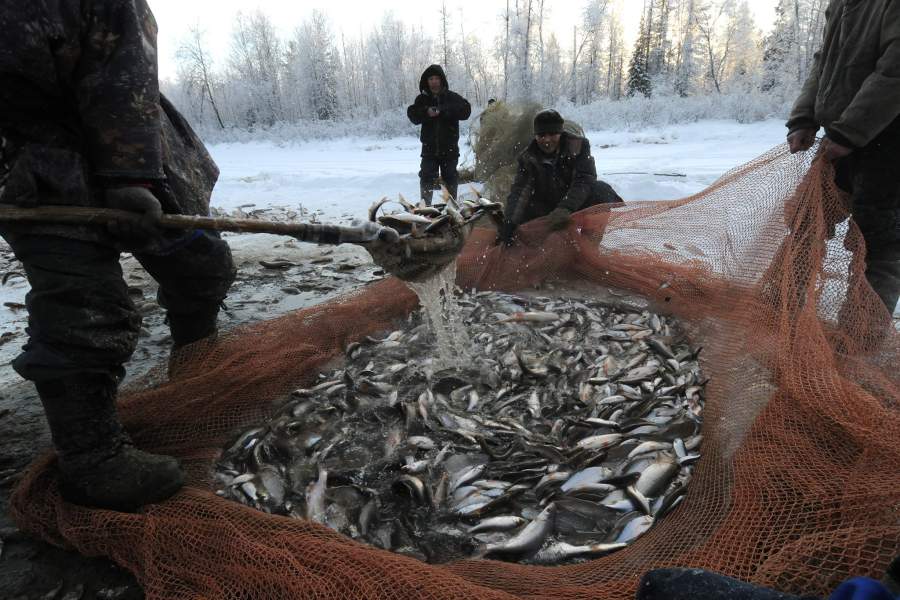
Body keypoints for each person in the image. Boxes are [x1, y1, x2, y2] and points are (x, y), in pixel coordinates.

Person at [0, 0, 236, 511]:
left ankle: (197, 361)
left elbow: (122, 60)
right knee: (85, 305)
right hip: (28, 155)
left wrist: (130, 176)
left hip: (129, 136)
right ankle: (92, 456)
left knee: (201, 261)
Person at [786, 0, 900, 316]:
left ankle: (857, 347)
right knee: (805, 220)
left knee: (877, 246)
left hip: (888, 146)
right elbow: (824, 61)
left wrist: (850, 132)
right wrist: (804, 116)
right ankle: (783, 311)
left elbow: (894, 72)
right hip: (839, 138)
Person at [497, 109, 622, 245]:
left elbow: (584, 180)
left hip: (575, 202)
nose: (547, 140)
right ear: (535, 136)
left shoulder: (578, 146)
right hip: (547, 205)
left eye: (552, 134)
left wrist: (565, 208)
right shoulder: (527, 157)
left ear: (561, 133)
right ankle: (541, 248)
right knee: (522, 212)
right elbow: (520, 191)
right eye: (541, 135)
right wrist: (509, 222)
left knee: (601, 190)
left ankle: (589, 247)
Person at [406, 64, 472, 205]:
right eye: (431, 79)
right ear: (427, 81)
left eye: (437, 78)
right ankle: (425, 210)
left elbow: (466, 111)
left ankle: (452, 209)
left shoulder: (452, 97)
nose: (434, 82)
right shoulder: (422, 100)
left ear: (442, 80)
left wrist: (444, 110)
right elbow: (412, 115)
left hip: (450, 150)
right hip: (429, 150)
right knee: (426, 178)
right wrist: (426, 112)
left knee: (450, 178)